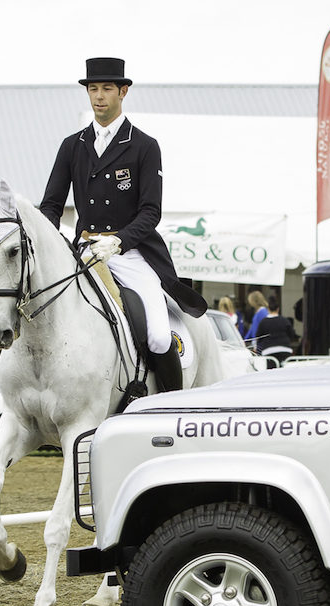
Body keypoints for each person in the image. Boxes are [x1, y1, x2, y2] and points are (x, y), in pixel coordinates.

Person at [39, 57, 207, 392]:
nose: (98, 96)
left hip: (129, 255)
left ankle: (166, 407)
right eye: (93, 89)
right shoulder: (73, 146)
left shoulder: (144, 146)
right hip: (84, 252)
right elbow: (52, 205)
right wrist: (46, 243)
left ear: (123, 91)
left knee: (159, 337)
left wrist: (118, 242)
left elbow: (150, 211)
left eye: (106, 89)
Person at [254, 295, 298, 363]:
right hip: (285, 349)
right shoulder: (285, 321)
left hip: (268, 351)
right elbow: (291, 334)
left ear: (268, 309)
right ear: (278, 309)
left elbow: (258, 337)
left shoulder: (263, 322)